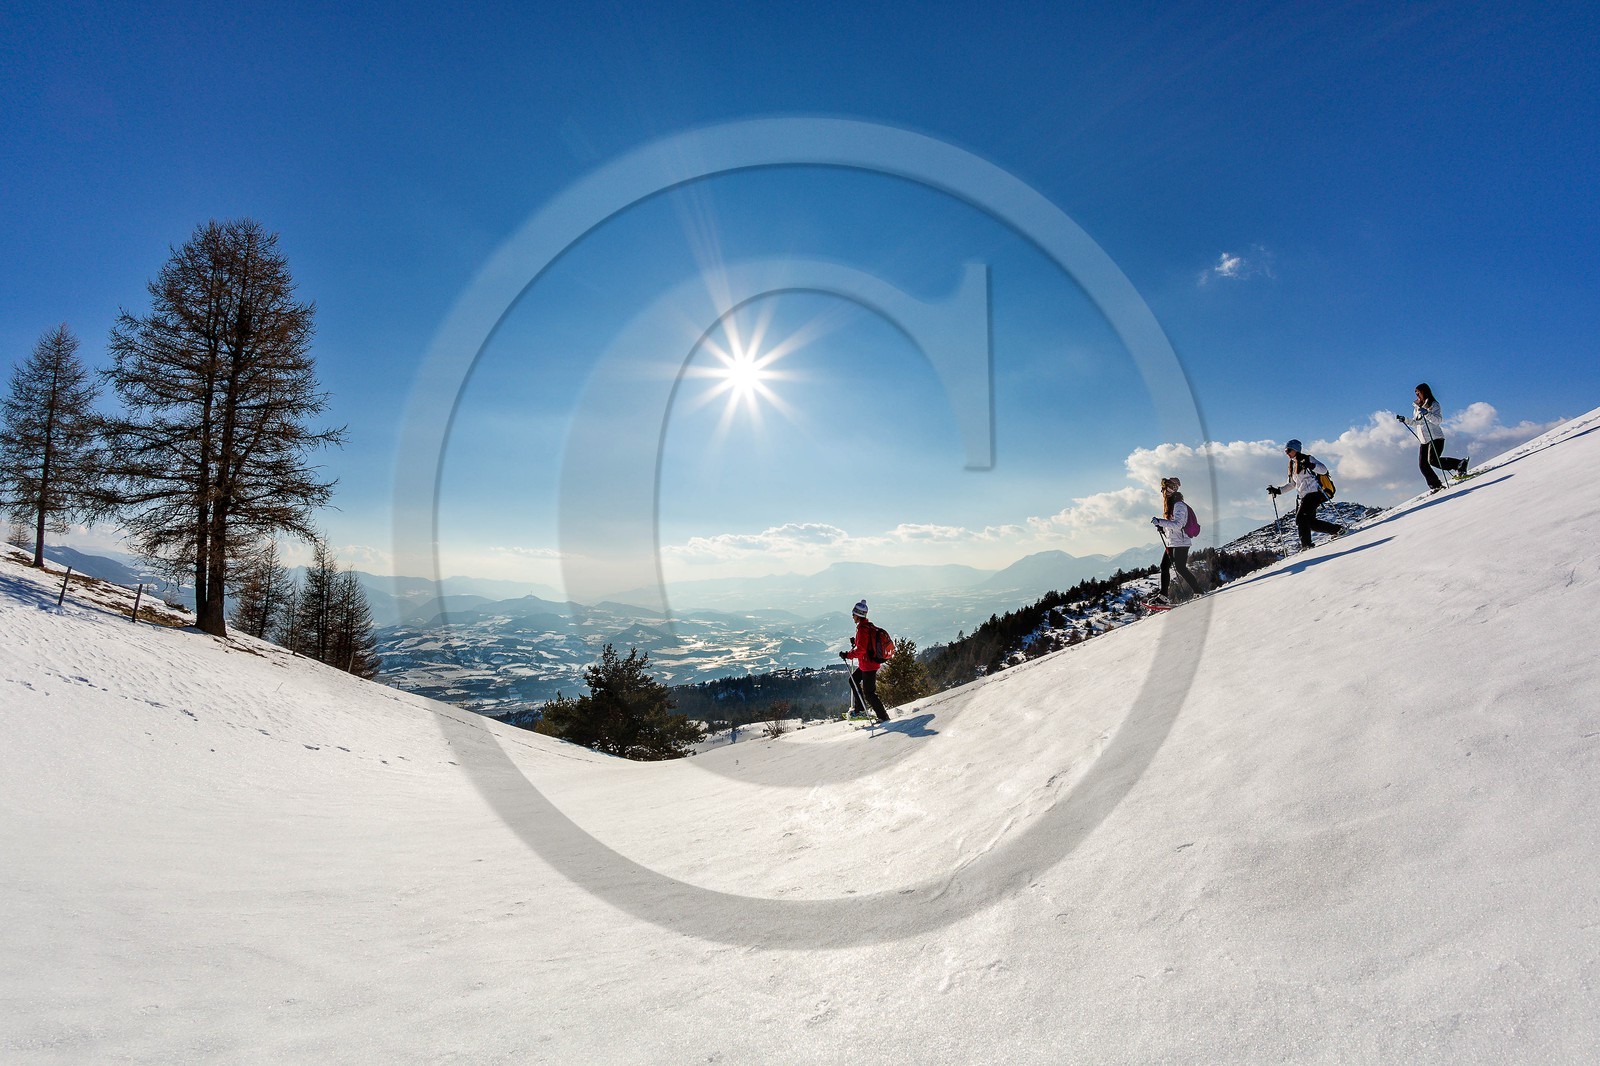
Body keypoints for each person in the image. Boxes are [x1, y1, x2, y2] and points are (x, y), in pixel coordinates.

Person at [1267, 439, 1347, 550]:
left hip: (1315, 493)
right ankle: (1338, 530)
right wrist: (1278, 491)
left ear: (1296, 449)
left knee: (1300, 518)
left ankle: (1306, 545)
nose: (1287, 453)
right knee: (1310, 523)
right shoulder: (1292, 464)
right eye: (1285, 451)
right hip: (1303, 496)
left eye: (1289, 450)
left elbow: (1323, 470)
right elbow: (1292, 484)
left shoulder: (1308, 458)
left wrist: (1311, 465)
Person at [1396, 382, 1469, 493]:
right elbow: (1417, 423)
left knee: (1433, 460)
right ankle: (1436, 485)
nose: (1417, 395)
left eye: (1418, 392)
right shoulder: (1416, 408)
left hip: (1435, 437)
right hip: (1424, 440)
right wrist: (1405, 420)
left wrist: (1427, 413)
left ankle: (1459, 464)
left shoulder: (1434, 404)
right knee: (1422, 465)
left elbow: (1438, 420)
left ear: (1425, 392)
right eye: (1416, 393)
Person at [1148, 477, 1203, 604]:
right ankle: (1163, 596)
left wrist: (1160, 522)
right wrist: (1163, 528)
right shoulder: (1172, 504)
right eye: (1166, 487)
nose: (1167, 490)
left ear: (1175, 489)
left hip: (1181, 542)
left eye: (1171, 487)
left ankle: (1198, 590)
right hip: (1173, 542)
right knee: (1165, 566)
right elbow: (1173, 525)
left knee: (1180, 568)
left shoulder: (1179, 505)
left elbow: (1178, 524)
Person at [839, 599, 890, 722]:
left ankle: (883, 716)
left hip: (869, 665)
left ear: (858, 615)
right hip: (866, 664)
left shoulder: (863, 629)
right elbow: (864, 645)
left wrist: (847, 655)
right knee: (853, 680)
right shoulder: (865, 626)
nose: (852, 616)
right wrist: (855, 642)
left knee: (869, 693)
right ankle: (860, 709)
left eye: (854, 614)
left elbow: (861, 650)